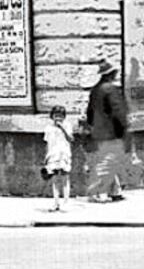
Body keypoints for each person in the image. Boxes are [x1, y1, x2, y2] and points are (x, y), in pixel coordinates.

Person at [84, 59, 130, 203]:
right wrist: (123, 127)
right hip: (111, 132)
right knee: (107, 162)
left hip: (98, 131)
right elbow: (118, 111)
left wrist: (92, 125)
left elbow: (89, 112)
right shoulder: (110, 89)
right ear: (111, 74)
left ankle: (115, 191)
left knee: (109, 160)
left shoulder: (95, 90)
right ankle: (98, 192)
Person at [41, 106, 73, 212]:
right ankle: (56, 203)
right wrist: (45, 157)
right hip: (53, 155)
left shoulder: (67, 125)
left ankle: (66, 202)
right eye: (56, 116)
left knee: (65, 178)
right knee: (55, 179)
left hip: (64, 154)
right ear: (52, 116)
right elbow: (47, 143)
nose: (58, 118)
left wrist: (62, 128)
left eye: (60, 116)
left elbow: (71, 139)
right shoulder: (48, 128)